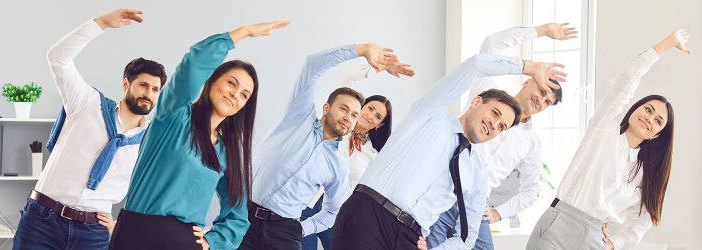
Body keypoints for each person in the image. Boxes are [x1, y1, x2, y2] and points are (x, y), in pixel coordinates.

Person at [331, 48, 567, 249]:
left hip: (410, 238)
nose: (494, 124)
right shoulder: (430, 116)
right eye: (494, 113)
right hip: (368, 216)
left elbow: (467, 237)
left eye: (501, 126)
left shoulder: (477, 173)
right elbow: (475, 65)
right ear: (476, 102)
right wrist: (529, 66)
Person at [108, 20, 289, 250]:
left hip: (184, 243)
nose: (235, 95)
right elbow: (193, 64)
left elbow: (238, 216)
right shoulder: (173, 116)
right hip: (135, 236)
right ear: (211, 81)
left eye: (244, 95)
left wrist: (210, 242)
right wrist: (244, 32)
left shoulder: (227, 153)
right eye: (231, 84)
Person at [13, 9, 166, 250]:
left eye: (155, 89)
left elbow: (148, 192)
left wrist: (120, 227)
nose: (148, 94)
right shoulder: (87, 103)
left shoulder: (148, 143)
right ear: (126, 84)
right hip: (43, 221)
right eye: (143, 85)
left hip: (93, 233)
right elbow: (57, 57)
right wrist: (103, 23)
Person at [526, 29, 688, 250]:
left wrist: (614, 244)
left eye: (658, 121)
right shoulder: (603, 130)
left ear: (657, 134)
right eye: (648, 109)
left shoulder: (645, 174)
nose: (649, 118)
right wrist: (667, 43)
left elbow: (641, 223)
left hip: (595, 239)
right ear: (634, 109)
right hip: (558, 225)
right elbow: (628, 78)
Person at [239, 42, 410, 249]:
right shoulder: (298, 118)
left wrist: (302, 229)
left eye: (354, 114)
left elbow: (333, 211)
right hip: (244, 216)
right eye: (343, 109)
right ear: (326, 107)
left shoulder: (341, 165)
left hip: (285, 231)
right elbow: (313, 65)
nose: (348, 117)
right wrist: (363, 51)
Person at [426, 23, 576, 249]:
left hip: (475, 206)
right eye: (542, 92)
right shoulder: (488, 90)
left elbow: (530, 191)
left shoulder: (531, 142)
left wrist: (498, 213)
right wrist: (542, 31)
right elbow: (491, 45)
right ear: (528, 80)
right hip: (443, 189)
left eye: (548, 103)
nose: (541, 101)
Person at [300, 63, 414, 250]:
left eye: (378, 116)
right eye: (370, 108)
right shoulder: (341, 126)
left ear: (379, 125)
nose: (370, 116)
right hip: (310, 202)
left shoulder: (373, 155)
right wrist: (380, 67)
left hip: (336, 213)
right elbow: (348, 78)